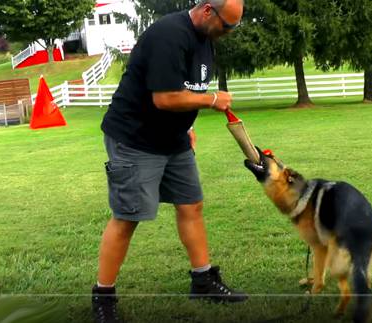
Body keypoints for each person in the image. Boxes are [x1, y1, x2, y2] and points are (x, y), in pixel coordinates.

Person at [91, 1, 246, 322]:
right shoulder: (168, 35)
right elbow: (165, 98)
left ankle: (203, 281)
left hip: (173, 140)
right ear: (207, 11)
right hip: (135, 138)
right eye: (227, 26)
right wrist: (213, 100)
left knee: (192, 205)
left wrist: (187, 127)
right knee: (127, 216)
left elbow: (189, 86)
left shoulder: (205, 40)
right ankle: (103, 297)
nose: (229, 33)